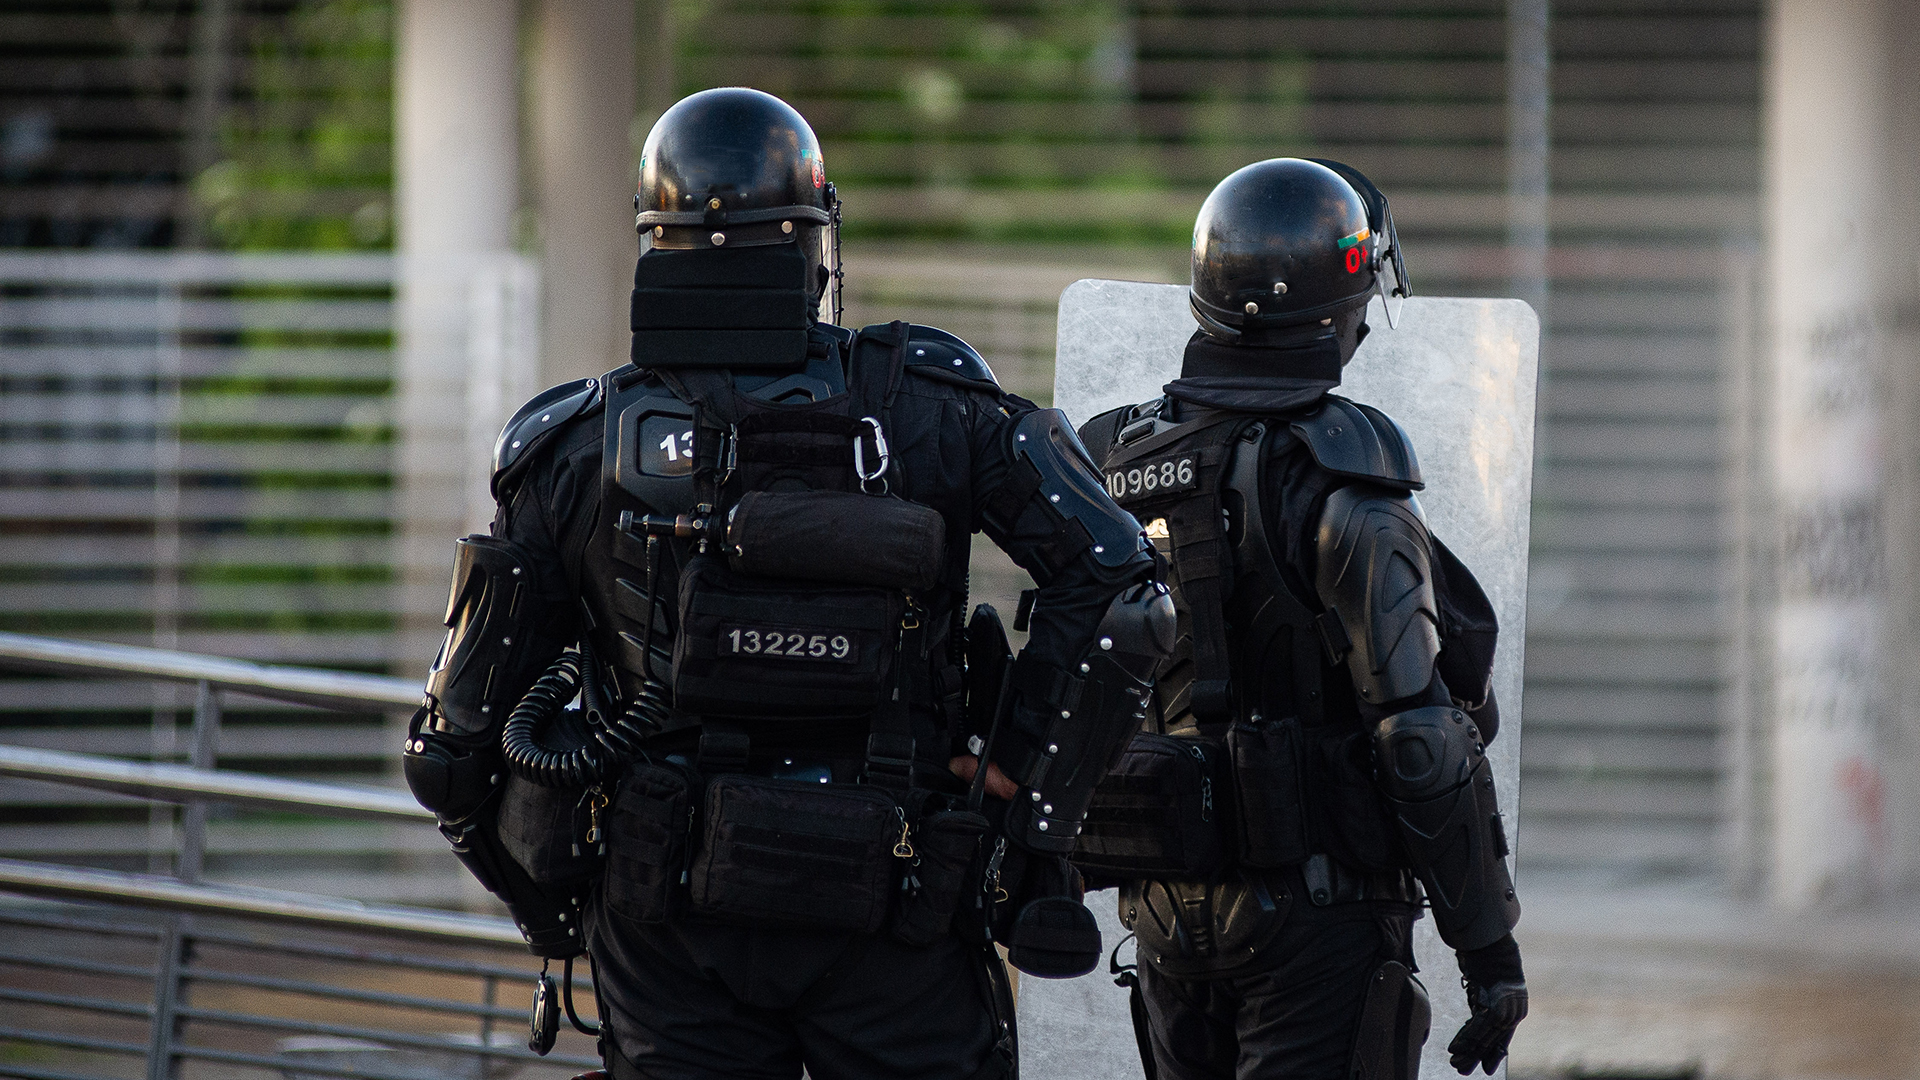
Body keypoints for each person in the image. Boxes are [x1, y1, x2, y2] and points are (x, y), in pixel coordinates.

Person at [400, 87, 1172, 1080]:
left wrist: (552, 910)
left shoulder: (572, 442)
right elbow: (1121, 591)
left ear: (654, 241)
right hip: (900, 898)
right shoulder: (932, 406)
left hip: (663, 915)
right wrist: (1022, 803)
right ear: (810, 242)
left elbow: (450, 749)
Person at [1073, 158, 1526, 1080]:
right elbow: (1419, 739)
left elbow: (1063, 688)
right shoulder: (1344, 471)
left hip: (1161, 915)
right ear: (1338, 306)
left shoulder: (1107, 460)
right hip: (1317, 919)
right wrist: (1488, 950)